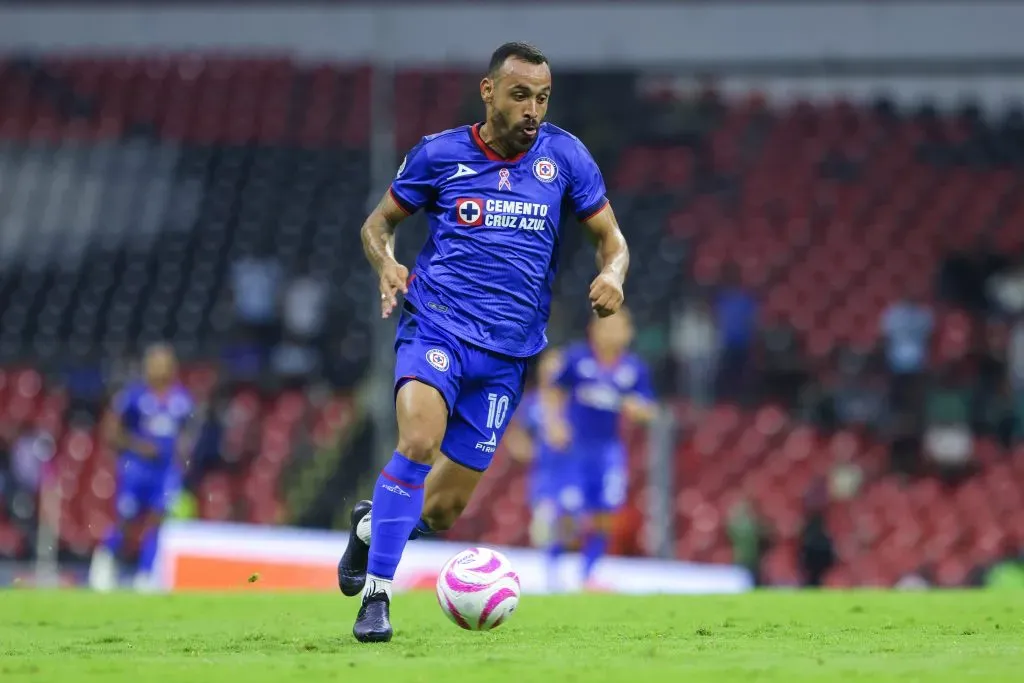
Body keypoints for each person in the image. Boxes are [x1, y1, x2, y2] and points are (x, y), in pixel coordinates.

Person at [337, 42, 630, 642]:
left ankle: (370, 531)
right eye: (520, 95)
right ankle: (377, 599)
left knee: (442, 511)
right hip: (437, 325)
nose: (533, 110)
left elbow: (612, 239)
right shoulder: (439, 154)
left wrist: (613, 275)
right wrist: (387, 265)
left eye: (542, 98)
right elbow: (377, 226)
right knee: (418, 440)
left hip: (507, 356)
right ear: (488, 91)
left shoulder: (566, 157)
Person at [547, 308, 655, 587]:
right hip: (576, 448)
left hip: (608, 451)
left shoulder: (634, 368)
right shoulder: (577, 358)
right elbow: (554, 389)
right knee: (568, 512)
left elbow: (649, 410)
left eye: (620, 328)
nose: (614, 333)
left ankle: (587, 573)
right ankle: (553, 569)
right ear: (593, 330)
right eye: (608, 327)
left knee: (605, 513)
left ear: (629, 333)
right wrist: (555, 423)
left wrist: (638, 410)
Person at [89, 344, 194, 592]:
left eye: (166, 362)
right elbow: (111, 430)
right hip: (136, 468)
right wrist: (138, 446)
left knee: (157, 521)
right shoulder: (133, 396)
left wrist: (182, 458)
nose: (161, 368)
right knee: (126, 518)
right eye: (156, 362)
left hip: (165, 471)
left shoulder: (182, 399)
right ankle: (106, 561)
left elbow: (186, 434)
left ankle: (146, 575)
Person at [503, 348, 574, 592]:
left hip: (573, 472)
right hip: (544, 476)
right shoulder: (533, 403)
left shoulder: (575, 401)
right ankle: (552, 574)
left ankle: (572, 571)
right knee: (547, 523)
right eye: (549, 367)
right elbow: (516, 436)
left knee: (570, 523)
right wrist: (532, 450)